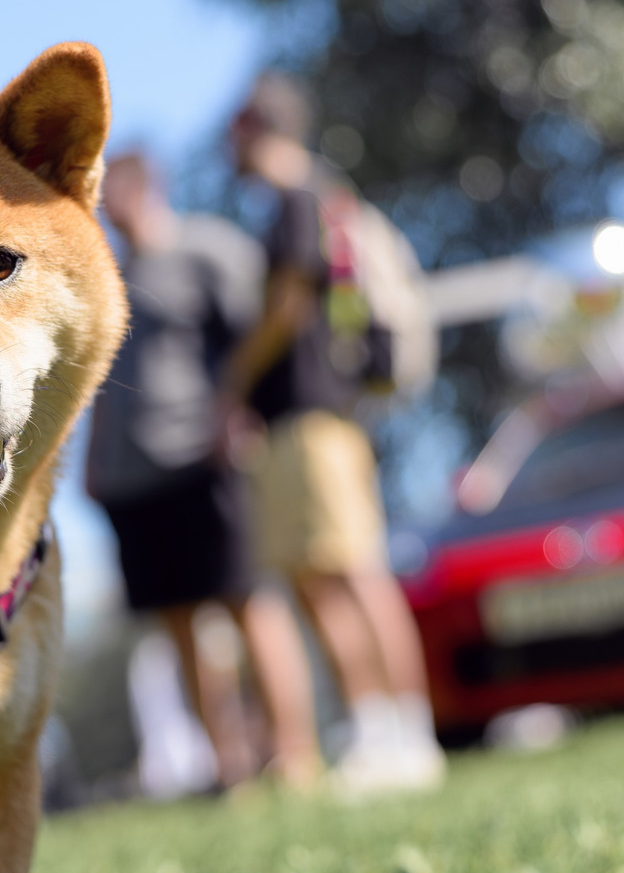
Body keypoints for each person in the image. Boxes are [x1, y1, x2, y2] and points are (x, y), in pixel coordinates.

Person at [218, 75, 443, 795]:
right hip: (313, 418)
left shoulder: (297, 200)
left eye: (235, 131)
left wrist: (233, 380)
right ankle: (377, 728)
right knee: (323, 576)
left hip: (312, 415)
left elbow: (286, 308)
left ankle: (400, 734)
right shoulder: (318, 198)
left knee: (350, 574)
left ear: (257, 127)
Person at [85, 147, 322, 790]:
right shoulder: (109, 279)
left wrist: (238, 410)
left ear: (147, 187)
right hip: (133, 480)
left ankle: (294, 754)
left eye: (116, 194)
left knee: (250, 606)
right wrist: (92, 462)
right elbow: (102, 387)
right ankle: (230, 767)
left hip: (201, 460)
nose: (109, 210)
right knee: (178, 623)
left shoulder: (207, 250)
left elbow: (259, 336)